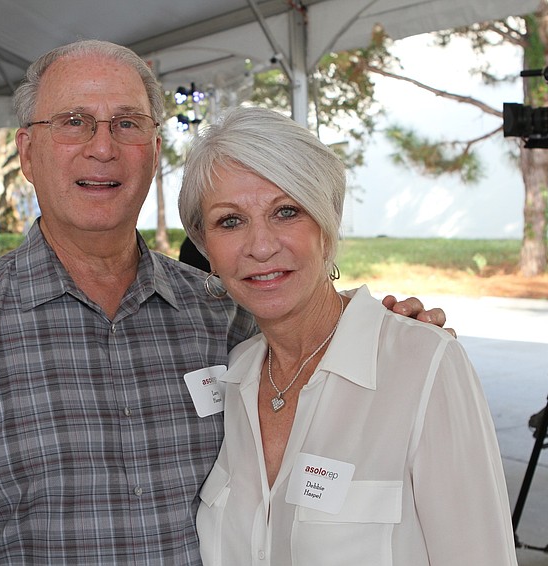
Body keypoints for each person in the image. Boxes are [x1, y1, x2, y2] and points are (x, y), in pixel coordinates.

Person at [0, 40, 448, 565]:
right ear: (28, 153)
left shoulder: (225, 317)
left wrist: (380, 334)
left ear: (154, 150)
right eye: (74, 122)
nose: (103, 147)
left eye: (127, 124)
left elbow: (315, 370)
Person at [179, 106, 517, 565]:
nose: (260, 246)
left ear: (327, 225)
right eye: (230, 221)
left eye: (286, 211)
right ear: (206, 247)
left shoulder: (423, 365)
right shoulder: (235, 375)